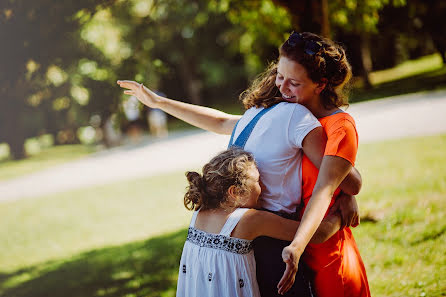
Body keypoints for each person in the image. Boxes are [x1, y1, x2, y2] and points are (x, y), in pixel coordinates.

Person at [117, 31, 363, 296]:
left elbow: (220, 122)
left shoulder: (257, 114)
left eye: (292, 82)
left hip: (249, 234)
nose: (283, 86)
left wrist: (159, 102)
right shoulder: (291, 114)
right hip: (272, 234)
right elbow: (347, 179)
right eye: (280, 77)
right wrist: (348, 194)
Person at [177, 148, 342, 297]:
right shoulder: (250, 219)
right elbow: (318, 233)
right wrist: (342, 213)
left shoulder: (199, 212)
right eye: (257, 181)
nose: (264, 186)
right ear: (235, 192)